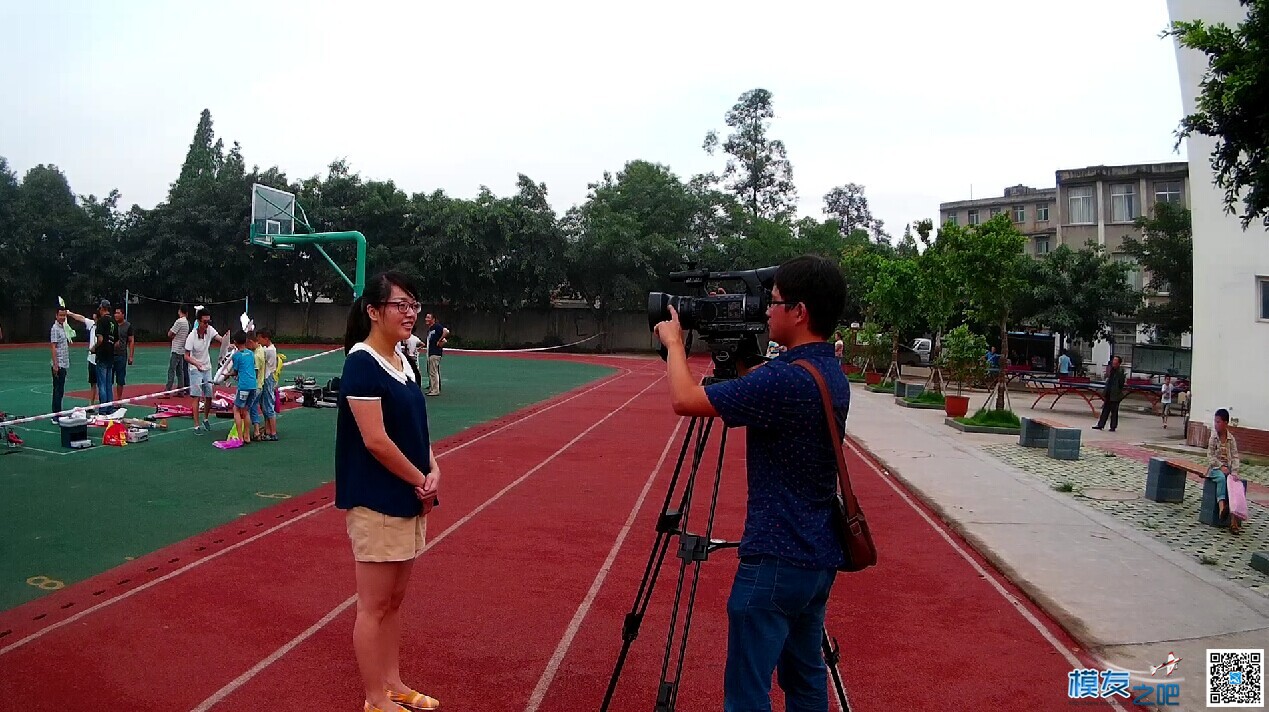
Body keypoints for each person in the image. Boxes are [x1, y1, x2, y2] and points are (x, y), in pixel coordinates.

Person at [653, 255, 849, 712]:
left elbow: (685, 399)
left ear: (800, 312)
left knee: (746, 694)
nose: (765, 310)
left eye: (774, 302)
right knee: (804, 681)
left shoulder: (784, 381)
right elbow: (758, 390)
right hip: (816, 555)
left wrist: (675, 343)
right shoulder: (826, 374)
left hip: (776, 556)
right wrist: (739, 351)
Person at [337, 272, 441, 712]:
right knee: (373, 606)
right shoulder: (361, 363)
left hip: (408, 497)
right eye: (401, 304)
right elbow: (376, 440)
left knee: (394, 603)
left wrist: (433, 465)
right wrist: (419, 477)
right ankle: (375, 698)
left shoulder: (404, 360)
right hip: (378, 499)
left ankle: (394, 683)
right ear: (373, 311)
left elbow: (416, 429)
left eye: (414, 304)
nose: (410, 312)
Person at [185, 309, 224, 434]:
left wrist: (229, 344)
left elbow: (220, 339)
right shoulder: (191, 336)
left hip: (207, 367)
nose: (207, 324)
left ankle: (205, 419)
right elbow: (186, 356)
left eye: (208, 322)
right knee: (196, 396)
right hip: (195, 369)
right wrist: (196, 363)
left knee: (208, 395)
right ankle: (196, 425)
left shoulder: (210, 330)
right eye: (205, 322)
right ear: (198, 321)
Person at [1206, 409, 1242, 534]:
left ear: (1225, 423)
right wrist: (1221, 466)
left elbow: (1236, 456)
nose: (1216, 424)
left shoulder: (1231, 439)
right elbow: (1210, 456)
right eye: (1215, 421)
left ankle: (1234, 522)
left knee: (1235, 486)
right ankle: (1222, 509)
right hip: (1215, 469)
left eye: (1218, 422)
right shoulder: (1213, 437)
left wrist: (1235, 472)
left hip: (1229, 470)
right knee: (1221, 478)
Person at [228, 332, 259, 445]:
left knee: (236, 409)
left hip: (244, 386)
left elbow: (235, 371)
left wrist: (227, 375)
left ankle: (240, 437)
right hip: (253, 385)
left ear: (235, 342)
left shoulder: (236, 355)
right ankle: (247, 435)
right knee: (245, 410)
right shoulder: (250, 353)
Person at [92, 300, 119, 407]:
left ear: (102, 308)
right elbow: (117, 342)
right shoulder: (114, 322)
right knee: (109, 384)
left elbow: (100, 339)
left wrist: (94, 348)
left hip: (102, 354)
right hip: (110, 355)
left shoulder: (101, 321)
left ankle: (103, 409)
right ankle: (109, 407)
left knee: (102, 384)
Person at [1092, 355, 1127, 432]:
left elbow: (1121, 384)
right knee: (1105, 410)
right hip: (1109, 393)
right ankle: (1100, 425)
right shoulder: (1112, 370)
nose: (1113, 362)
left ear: (1119, 363)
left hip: (1115, 395)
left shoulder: (1120, 372)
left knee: (1114, 411)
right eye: (1113, 360)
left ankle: (1113, 426)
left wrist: (1117, 392)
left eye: (1115, 361)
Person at [257, 329, 279, 441]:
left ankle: (273, 432)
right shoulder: (268, 348)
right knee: (265, 406)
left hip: (268, 378)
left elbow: (258, 352)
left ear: (266, 339)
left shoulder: (269, 350)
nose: (258, 341)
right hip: (267, 377)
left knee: (269, 405)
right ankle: (268, 430)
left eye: (260, 339)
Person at [165, 305, 191, 396]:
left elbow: (170, 333)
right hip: (182, 349)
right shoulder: (187, 323)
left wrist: (173, 336)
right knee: (180, 371)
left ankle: (168, 390)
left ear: (180, 311)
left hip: (176, 348)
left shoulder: (179, 321)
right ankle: (181, 390)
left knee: (171, 370)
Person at [423, 313, 450, 397]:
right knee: (431, 371)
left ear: (433, 319)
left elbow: (446, 331)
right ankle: (432, 388)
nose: (426, 319)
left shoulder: (437, 327)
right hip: (430, 353)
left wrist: (440, 340)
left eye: (428, 317)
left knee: (433, 371)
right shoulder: (430, 329)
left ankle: (435, 390)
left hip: (435, 353)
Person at [112, 307, 135, 403]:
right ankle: (109, 399)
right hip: (111, 354)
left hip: (121, 355)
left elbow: (131, 340)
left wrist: (131, 356)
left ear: (123, 314)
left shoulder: (128, 326)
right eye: (115, 313)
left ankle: (119, 399)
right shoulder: (112, 324)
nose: (116, 315)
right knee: (109, 378)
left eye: (118, 313)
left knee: (120, 379)